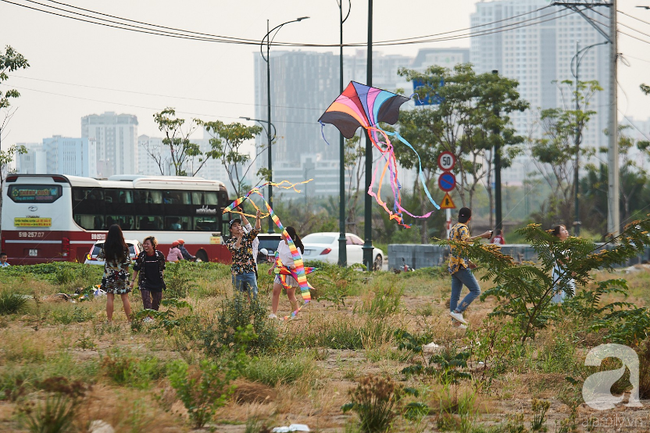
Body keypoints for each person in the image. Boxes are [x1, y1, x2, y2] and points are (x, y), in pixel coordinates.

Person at [447, 207, 492, 329]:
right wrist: (484, 235)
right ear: (470, 218)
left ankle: (455, 323)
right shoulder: (463, 228)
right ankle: (457, 312)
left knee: (455, 295)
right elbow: (466, 241)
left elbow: (458, 246)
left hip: (453, 264)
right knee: (475, 290)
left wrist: (469, 261)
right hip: (461, 265)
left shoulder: (454, 228)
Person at [268, 226, 304, 319]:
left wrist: (294, 266)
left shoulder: (294, 247)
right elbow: (278, 256)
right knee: (275, 291)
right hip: (280, 271)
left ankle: (295, 315)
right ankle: (274, 313)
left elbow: (300, 262)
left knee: (290, 294)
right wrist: (272, 267)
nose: (281, 232)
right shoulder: (281, 243)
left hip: (291, 273)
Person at [99, 225, 133, 323]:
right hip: (122, 275)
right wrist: (126, 274)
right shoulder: (124, 247)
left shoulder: (105, 247)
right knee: (125, 298)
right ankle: (130, 320)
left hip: (109, 275)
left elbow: (101, 258)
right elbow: (127, 263)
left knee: (110, 298)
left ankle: (109, 320)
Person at [225, 209, 261, 299]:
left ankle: (254, 312)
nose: (238, 227)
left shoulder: (247, 238)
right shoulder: (229, 241)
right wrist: (240, 237)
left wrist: (257, 218)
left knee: (254, 295)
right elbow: (235, 248)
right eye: (235, 226)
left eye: (239, 225)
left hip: (249, 271)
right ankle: (239, 313)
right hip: (237, 273)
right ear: (231, 230)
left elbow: (256, 230)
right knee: (238, 297)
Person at [132, 236, 166, 316]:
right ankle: (148, 317)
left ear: (153, 245)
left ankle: (152, 316)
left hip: (157, 282)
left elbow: (162, 268)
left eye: (148, 244)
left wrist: (162, 280)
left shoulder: (159, 255)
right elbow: (136, 268)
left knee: (157, 301)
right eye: (144, 244)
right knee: (146, 300)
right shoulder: (142, 256)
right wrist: (132, 281)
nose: (145, 246)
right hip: (145, 282)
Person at [550, 224, 575, 304]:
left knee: (569, 292)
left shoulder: (567, 246)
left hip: (567, 272)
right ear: (558, 235)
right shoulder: (556, 246)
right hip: (559, 272)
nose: (566, 231)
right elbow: (559, 260)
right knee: (560, 293)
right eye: (563, 230)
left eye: (565, 229)